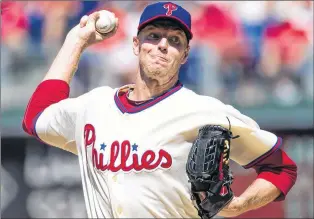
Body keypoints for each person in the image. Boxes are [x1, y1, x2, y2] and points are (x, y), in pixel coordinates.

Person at [22, 2, 297, 218]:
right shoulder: (94, 106)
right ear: (136, 45)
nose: (163, 45)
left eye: (175, 40)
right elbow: (36, 117)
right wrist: (76, 41)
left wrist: (240, 205)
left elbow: (281, 168)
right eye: (153, 36)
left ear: (185, 54)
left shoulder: (206, 112)